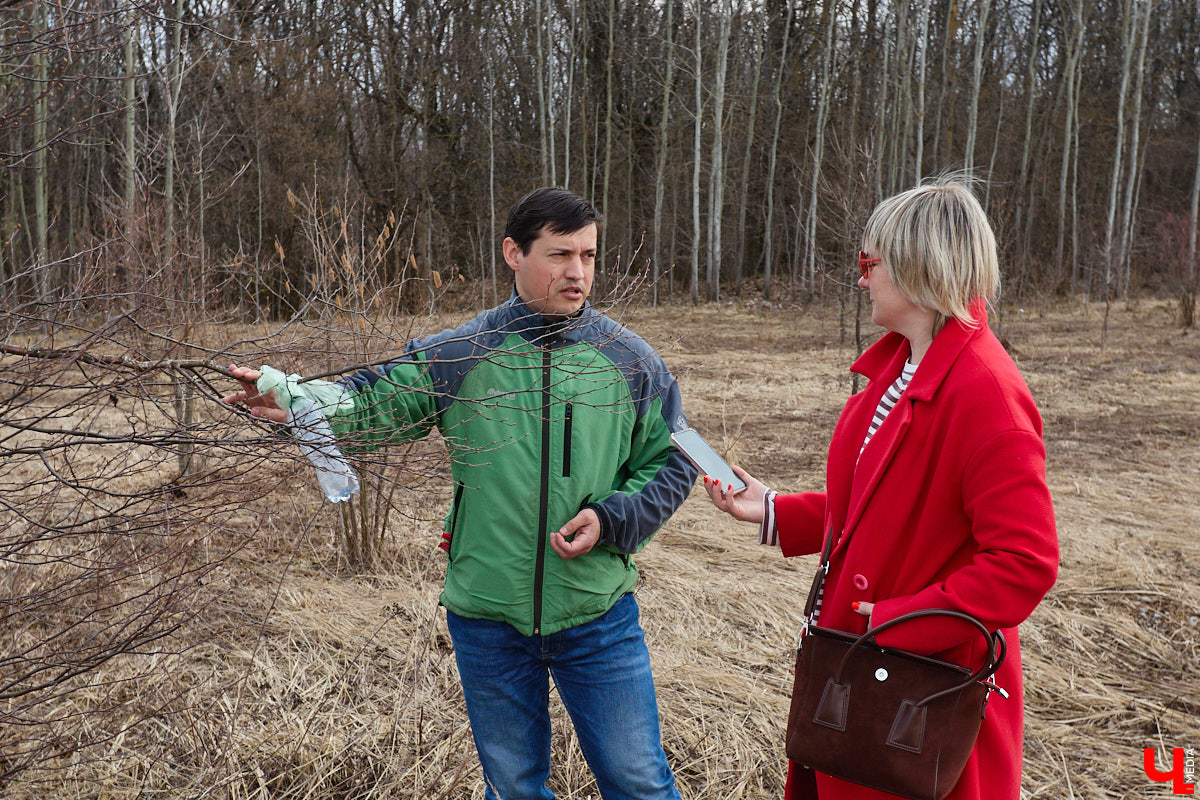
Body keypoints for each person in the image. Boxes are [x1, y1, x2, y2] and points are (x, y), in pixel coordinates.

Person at [222, 188, 698, 800]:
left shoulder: (632, 362)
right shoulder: (462, 353)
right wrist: (292, 396)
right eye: (559, 255)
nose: (577, 273)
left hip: (597, 614)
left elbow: (675, 461)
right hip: (487, 618)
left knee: (638, 784)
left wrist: (611, 520)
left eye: (588, 256)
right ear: (512, 253)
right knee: (514, 789)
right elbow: (376, 405)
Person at [703, 176, 1058, 800]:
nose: (861, 278)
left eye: (870, 263)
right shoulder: (903, 364)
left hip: (920, 697)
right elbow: (881, 508)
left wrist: (897, 623)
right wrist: (774, 512)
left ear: (922, 267)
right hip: (861, 678)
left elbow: (1025, 563)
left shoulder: (987, 397)